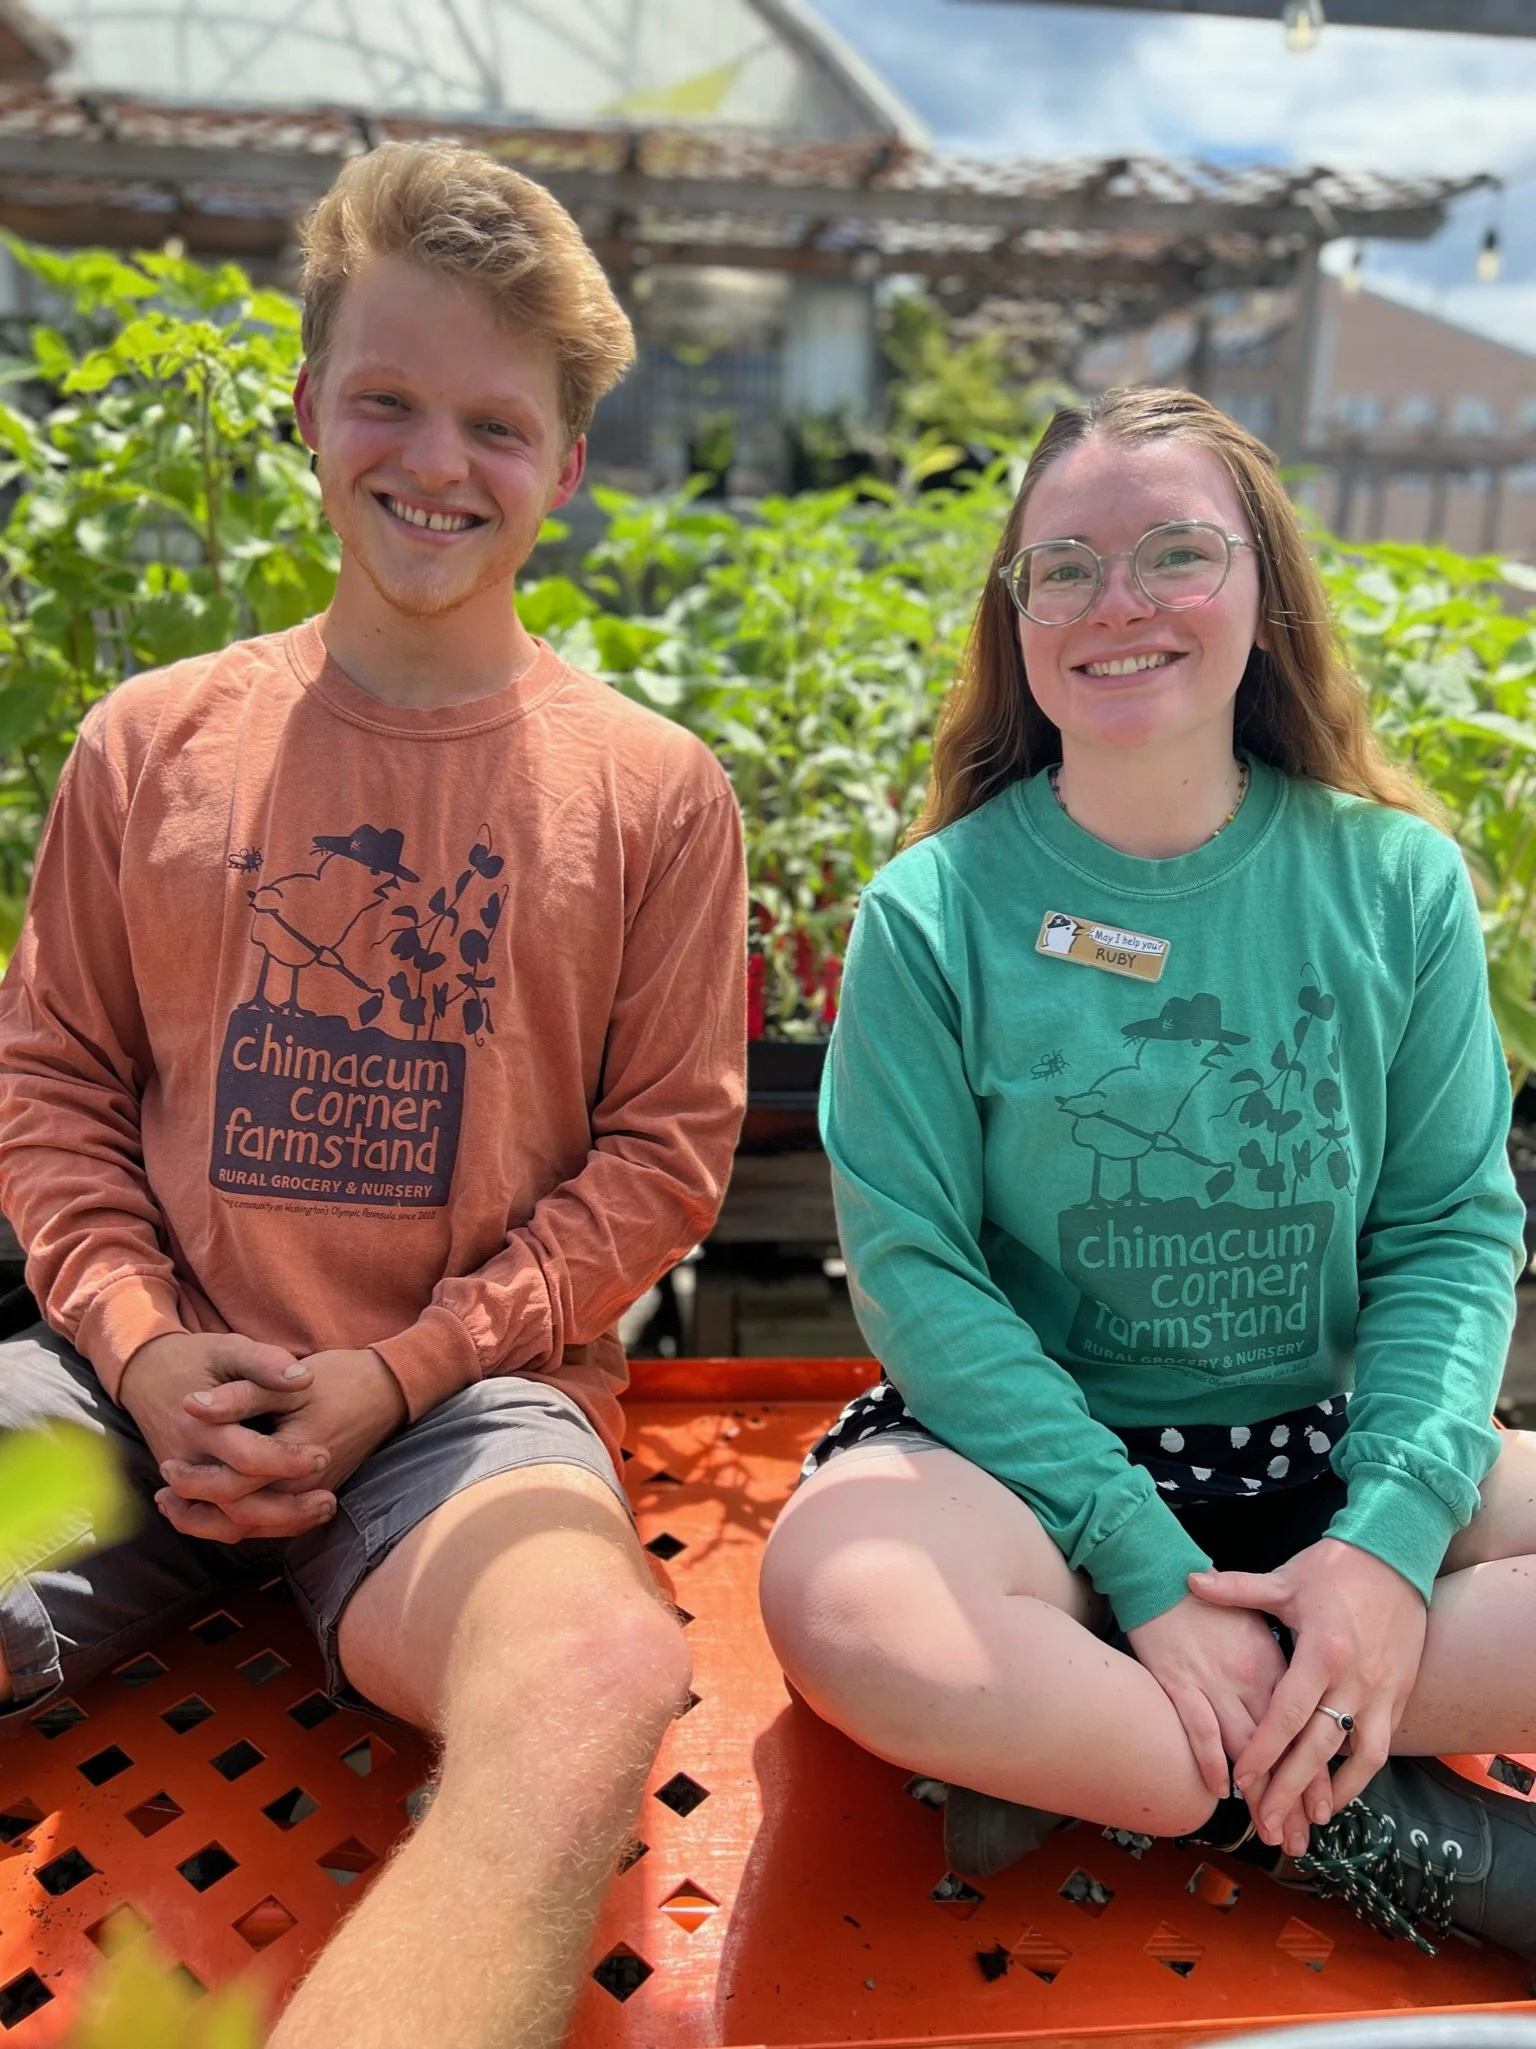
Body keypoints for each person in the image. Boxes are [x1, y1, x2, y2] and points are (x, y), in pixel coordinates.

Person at [0, 141, 745, 2049]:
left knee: (590, 1677)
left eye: (497, 424)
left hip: (457, 1417)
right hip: (126, 1387)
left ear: (568, 464)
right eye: (389, 400)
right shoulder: (148, 744)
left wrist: (401, 1373)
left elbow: (665, 1155)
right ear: (308, 407)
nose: (437, 461)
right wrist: (145, 1347)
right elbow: (56, 1085)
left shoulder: (653, 792)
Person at [759, 388, 1536, 1961]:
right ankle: (1345, 1802)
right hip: (1024, 1480)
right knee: (845, 1600)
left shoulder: (1393, 882)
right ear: (1019, 618)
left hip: (1323, 1454)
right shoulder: (933, 912)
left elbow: (1450, 1230)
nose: (1118, 603)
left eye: (1176, 553)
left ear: (1264, 590)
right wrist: (1143, 1564)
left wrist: (1386, 1551)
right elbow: (916, 1273)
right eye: (1064, 568)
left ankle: (1108, 1747)